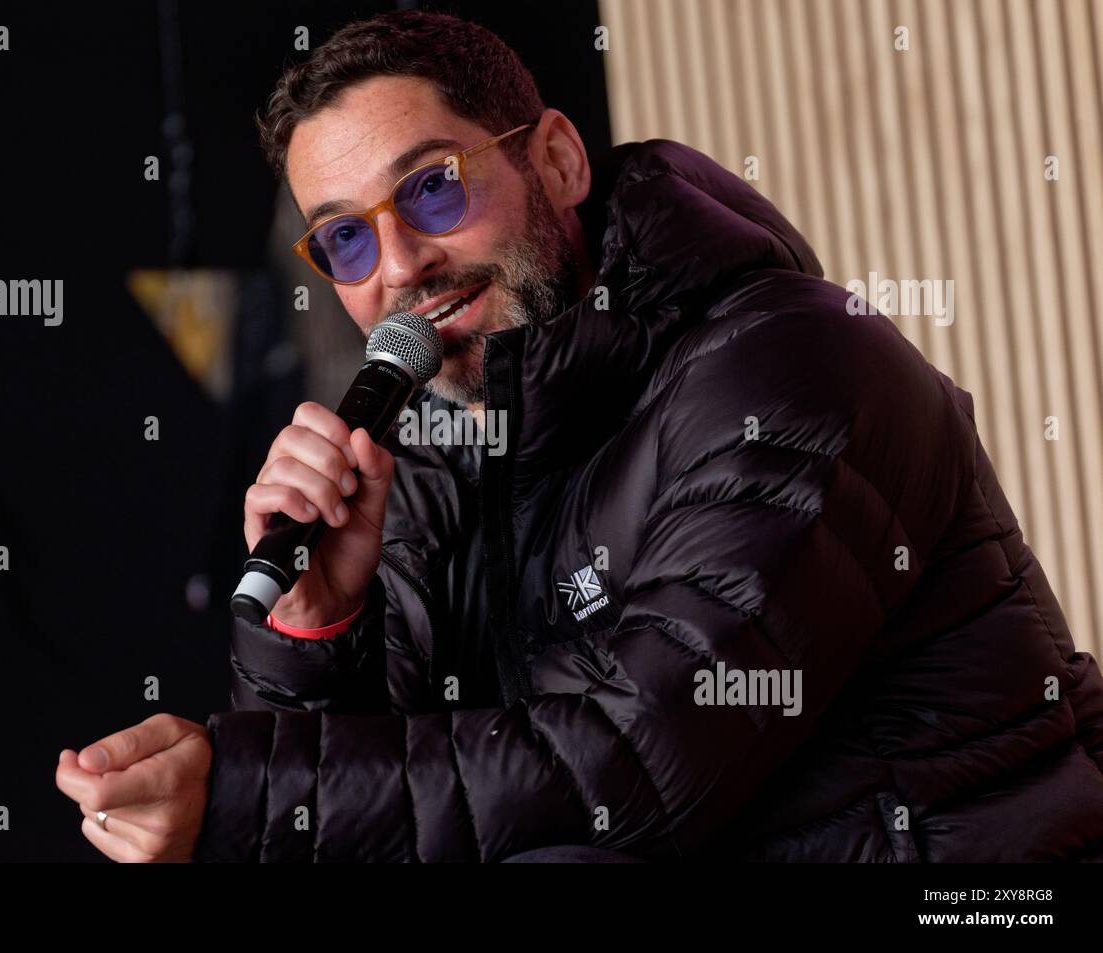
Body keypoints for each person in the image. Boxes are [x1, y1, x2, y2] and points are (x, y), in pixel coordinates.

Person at [55, 9, 1103, 862]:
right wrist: (315, 627)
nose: (399, 263)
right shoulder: (430, 461)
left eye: (430, 186)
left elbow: (640, 766)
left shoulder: (791, 366)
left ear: (555, 159)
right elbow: (402, 812)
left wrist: (238, 792)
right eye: (342, 237)